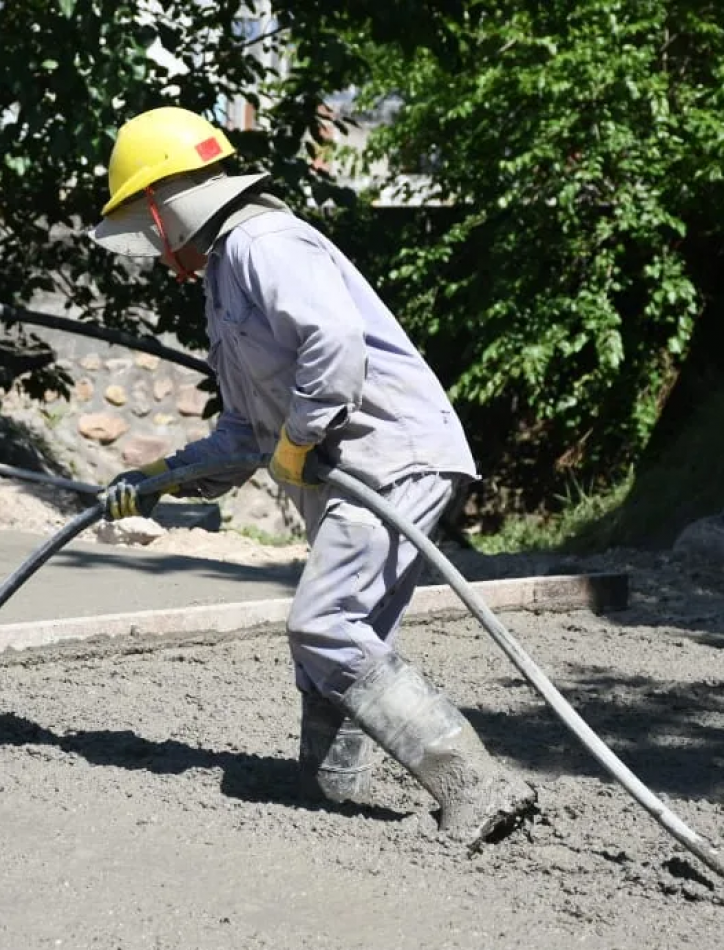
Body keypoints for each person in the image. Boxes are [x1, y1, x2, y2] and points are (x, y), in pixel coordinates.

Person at [90, 106, 536, 848]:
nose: (154, 245)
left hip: (389, 461)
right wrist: (161, 477)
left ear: (165, 207)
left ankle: (476, 787)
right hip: (361, 468)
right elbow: (243, 433)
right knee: (332, 644)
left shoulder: (265, 244)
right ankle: (329, 794)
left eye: (145, 221)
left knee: (323, 626)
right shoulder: (226, 274)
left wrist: (301, 437)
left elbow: (332, 347)